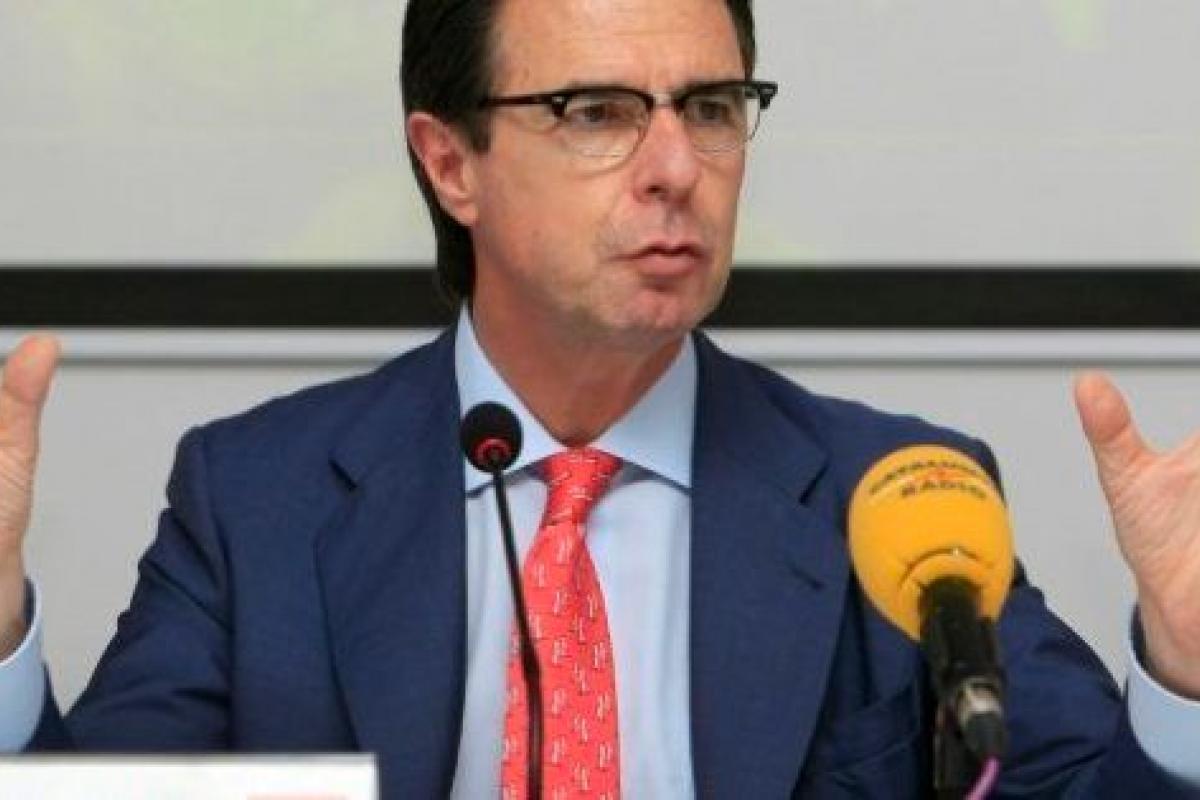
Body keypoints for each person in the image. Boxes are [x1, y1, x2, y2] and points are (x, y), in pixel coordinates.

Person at [1, 0, 1198, 796]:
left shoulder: (897, 496)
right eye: (597, 113)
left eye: (712, 109)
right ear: (450, 162)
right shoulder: (257, 499)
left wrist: (1189, 672)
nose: (676, 169)